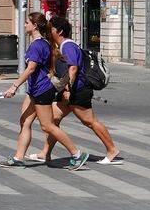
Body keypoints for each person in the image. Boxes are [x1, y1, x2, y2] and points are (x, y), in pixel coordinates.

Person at [1, 12, 90, 169]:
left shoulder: (37, 45)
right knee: (25, 121)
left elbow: (30, 69)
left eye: (27, 22)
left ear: (34, 26)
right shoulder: (44, 43)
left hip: (42, 89)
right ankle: (18, 157)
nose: (24, 25)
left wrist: (14, 86)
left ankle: (77, 153)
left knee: (47, 126)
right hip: (34, 90)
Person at [28, 16, 121, 165]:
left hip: (78, 90)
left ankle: (112, 150)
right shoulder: (64, 45)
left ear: (59, 31)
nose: (49, 31)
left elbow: (73, 68)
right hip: (71, 91)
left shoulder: (67, 46)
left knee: (90, 121)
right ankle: (45, 153)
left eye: (51, 28)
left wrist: (68, 89)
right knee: (53, 120)